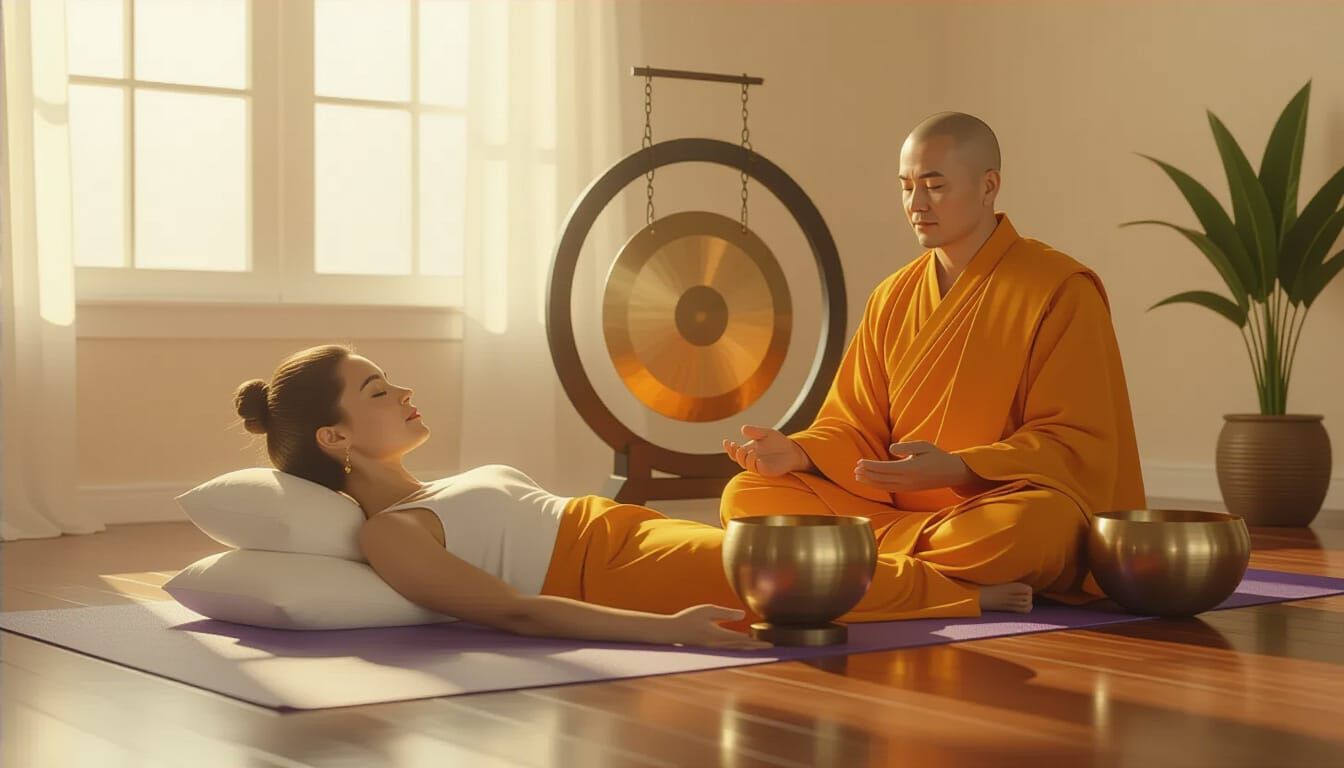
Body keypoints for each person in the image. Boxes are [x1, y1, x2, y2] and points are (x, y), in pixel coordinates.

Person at [233, 346, 1034, 652]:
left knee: (807, 530)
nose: (403, 388)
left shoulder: (435, 486)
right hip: (614, 574)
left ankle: (956, 569)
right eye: (376, 389)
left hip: (631, 536)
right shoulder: (392, 535)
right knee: (805, 568)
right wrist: (670, 633)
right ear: (335, 440)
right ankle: (976, 593)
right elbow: (514, 612)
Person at [722, 112, 1145, 620]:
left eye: (934, 186)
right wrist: (801, 454)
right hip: (891, 514)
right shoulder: (893, 295)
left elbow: (1077, 442)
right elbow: (855, 424)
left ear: (989, 186)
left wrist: (962, 468)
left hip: (989, 511)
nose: (916, 205)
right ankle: (938, 584)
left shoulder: (1058, 289)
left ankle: (863, 571)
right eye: (906, 187)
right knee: (747, 497)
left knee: (1032, 529)